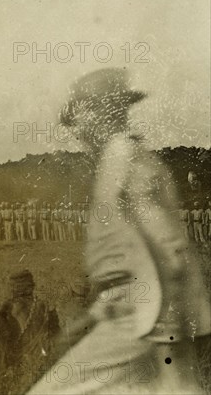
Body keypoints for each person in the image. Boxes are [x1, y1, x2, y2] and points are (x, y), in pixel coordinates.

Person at [29, 68, 211, 394]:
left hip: (146, 318)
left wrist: (166, 330)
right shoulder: (116, 160)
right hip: (136, 313)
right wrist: (95, 314)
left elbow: (168, 248)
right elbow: (128, 259)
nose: (77, 128)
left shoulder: (126, 160)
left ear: (104, 113)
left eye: (83, 113)